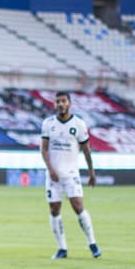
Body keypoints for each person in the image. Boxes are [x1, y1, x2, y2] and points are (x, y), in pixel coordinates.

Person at [40, 91, 100, 259]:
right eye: (57, 101)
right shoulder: (48, 123)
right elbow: (43, 149)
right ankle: (62, 248)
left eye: (63, 101)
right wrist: (51, 169)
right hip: (53, 175)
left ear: (69, 103)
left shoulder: (79, 124)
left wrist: (91, 172)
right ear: (54, 104)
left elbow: (86, 149)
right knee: (54, 209)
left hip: (71, 173)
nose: (60, 104)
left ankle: (92, 243)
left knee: (78, 207)